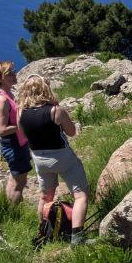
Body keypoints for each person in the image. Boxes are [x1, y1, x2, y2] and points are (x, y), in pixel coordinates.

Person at [17, 74, 89, 246]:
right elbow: (71, 132)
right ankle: (77, 239)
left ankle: (44, 232)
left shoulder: (20, 113)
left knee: (45, 197)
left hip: (39, 159)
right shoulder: (56, 111)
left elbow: (22, 136)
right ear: (46, 89)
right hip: (62, 157)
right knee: (80, 195)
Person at [0, 61, 30, 203]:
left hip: (18, 142)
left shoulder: (8, 93)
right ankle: (14, 213)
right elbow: (2, 129)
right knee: (20, 183)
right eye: (9, 73)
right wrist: (25, 123)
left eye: (13, 71)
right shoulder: (1, 100)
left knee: (14, 179)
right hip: (14, 144)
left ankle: (11, 205)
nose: (13, 75)